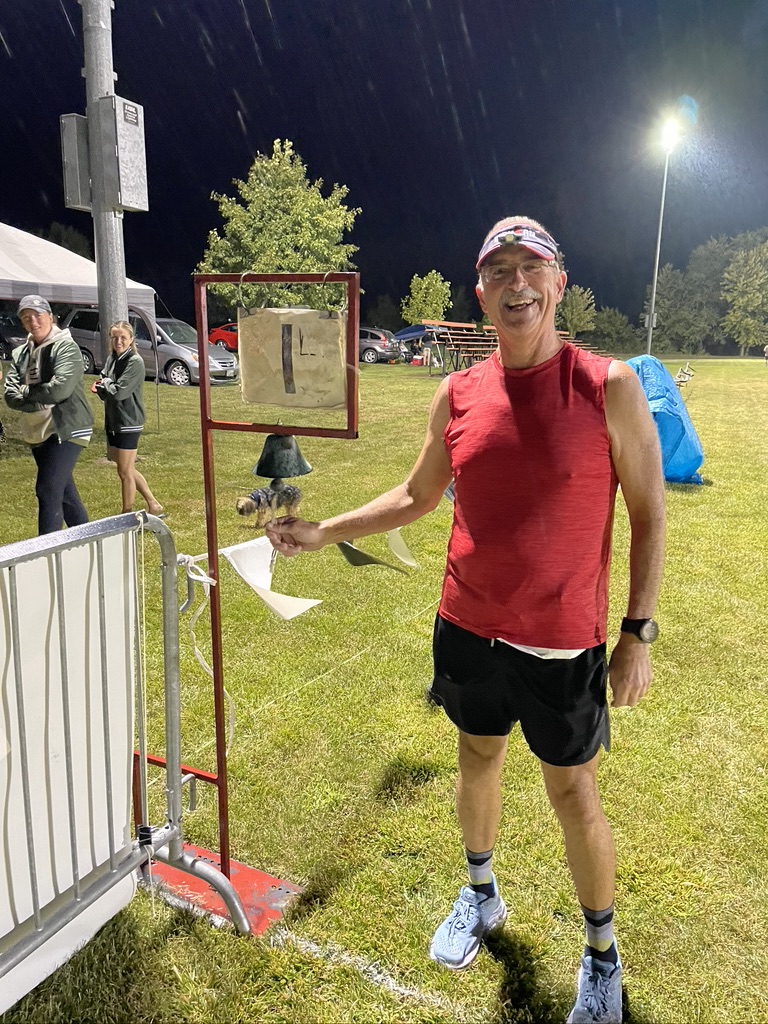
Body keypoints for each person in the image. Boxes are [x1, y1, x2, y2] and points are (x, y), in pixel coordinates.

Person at [266, 217, 665, 1024]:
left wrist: (636, 633)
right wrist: (323, 531)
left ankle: (601, 953)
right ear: (480, 294)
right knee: (477, 757)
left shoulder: (607, 385)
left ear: (558, 284)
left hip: (562, 644)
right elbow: (417, 495)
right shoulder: (457, 393)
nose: (517, 283)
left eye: (531, 267)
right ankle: (481, 893)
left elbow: (650, 514)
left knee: (573, 793)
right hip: (468, 626)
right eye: (499, 271)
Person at [3, 295, 92, 534]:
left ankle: (46, 550)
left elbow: (60, 390)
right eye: (26, 318)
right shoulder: (21, 353)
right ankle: (88, 541)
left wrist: (26, 392)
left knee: (47, 490)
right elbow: (9, 395)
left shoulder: (66, 347)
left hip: (67, 426)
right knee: (65, 496)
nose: (33, 322)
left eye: (37, 315)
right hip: (37, 430)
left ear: (50, 317)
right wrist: (36, 397)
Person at [94, 320, 163, 515]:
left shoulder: (135, 361)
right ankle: (153, 504)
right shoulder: (112, 358)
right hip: (113, 420)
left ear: (131, 339)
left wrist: (105, 384)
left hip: (129, 421)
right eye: (114, 337)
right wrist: (104, 385)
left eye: (123, 337)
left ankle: (127, 513)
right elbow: (104, 385)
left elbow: (119, 392)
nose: (118, 341)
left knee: (124, 472)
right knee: (125, 468)